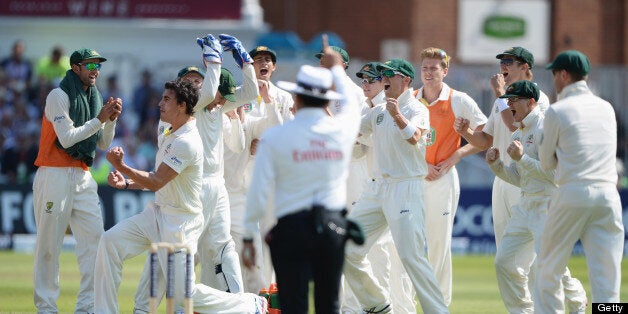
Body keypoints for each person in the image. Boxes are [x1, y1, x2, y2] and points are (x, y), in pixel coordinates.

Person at [94, 78, 267, 314]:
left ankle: (249, 304)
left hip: (180, 223)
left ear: (182, 105)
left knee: (183, 295)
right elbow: (159, 179)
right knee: (109, 242)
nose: (159, 103)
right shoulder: (168, 131)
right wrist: (127, 184)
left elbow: (157, 181)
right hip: (157, 213)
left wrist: (122, 166)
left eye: (166, 99)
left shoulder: (188, 141)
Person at [132, 34, 259, 313]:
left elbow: (251, 92)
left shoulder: (216, 105)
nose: (196, 83)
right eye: (189, 82)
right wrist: (214, 61)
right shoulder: (183, 114)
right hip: (191, 189)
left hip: (217, 186)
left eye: (198, 79)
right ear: (180, 95)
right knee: (174, 256)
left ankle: (242, 305)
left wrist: (244, 60)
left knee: (222, 249)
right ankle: (154, 308)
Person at [242, 38, 361, 313]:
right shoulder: (340, 130)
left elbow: (259, 191)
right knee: (328, 303)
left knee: (293, 304)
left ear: (295, 98)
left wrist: (249, 236)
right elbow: (353, 106)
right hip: (332, 227)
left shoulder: (276, 137)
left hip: (291, 230)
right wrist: (336, 70)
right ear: (326, 98)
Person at [343, 58, 448, 313]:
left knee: (412, 258)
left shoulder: (416, 108)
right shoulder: (378, 112)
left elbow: (414, 137)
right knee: (344, 246)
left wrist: (397, 115)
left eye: (391, 74)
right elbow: (351, 131)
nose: (386, 79)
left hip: (406, 188)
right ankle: (377, 304)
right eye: (384, 75)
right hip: (377, 188)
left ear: (406, 80)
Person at [32, 47, 122, 313]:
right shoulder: (57, 96)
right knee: (49, 247)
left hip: (82, 175)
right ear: (75, 68)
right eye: (90, 65)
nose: (95, 71)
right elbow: (67, 138)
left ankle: (87, 308)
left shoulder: (96, 98)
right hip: (54, 173)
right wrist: (100, 119)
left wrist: (111, 121)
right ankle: (46, 308)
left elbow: (103, 142)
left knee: (95, 242)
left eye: (98, 66)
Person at [485, 80, 586, 313]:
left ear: (531, 102)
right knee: (504, 262)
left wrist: (523, 159)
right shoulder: (518, 133)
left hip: (548, 204)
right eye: (508, 100)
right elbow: (519, 178)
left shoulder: (544, 127)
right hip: (526, 203)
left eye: (514, 100)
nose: (509, 105)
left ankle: (576, 298)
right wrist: (496, 165)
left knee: (548, 264)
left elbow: (554, 175)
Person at [536, 50, 623, 312]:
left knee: (549, 268)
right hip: (608, 195)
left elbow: (546, 162)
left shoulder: (557, 111)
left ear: (563, 75)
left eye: (554, 74)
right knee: (608, 277)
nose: (554, 81)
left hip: (572, 192)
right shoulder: (606, 107)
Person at [340, 61, 417, 314]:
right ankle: (368, 307)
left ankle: (400, 308)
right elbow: (355, 148)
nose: (367, 84)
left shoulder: (393, 108)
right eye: (363, 80)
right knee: (360, 253)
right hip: (370, 190)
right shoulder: (367, 111)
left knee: (395, 256)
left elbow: (408, 139)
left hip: (395, 188)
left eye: (371, 80)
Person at [454, 46, 548, 248]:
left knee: (527, 251)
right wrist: (466, 132)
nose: (502, 66)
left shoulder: (537, 97)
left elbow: (515, 125)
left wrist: (499, 93)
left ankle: (559, 281)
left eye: (508, 62)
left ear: (524, 67)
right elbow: (485, 141)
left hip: (526, 180)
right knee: (504, 247)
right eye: (501, 62)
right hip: (502, 177)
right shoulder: (502, 101)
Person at [415, 47, 487, 306]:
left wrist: (457, 155)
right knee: (407, 245)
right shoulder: (410, 99)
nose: (428, 72)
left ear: (445, 71)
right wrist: (421, 165)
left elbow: (486, 138)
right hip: (413, 179)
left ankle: (438, 306)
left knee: (438, 246)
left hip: (443, 180)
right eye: (425, 67)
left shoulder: (459, 100)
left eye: (434, 68)